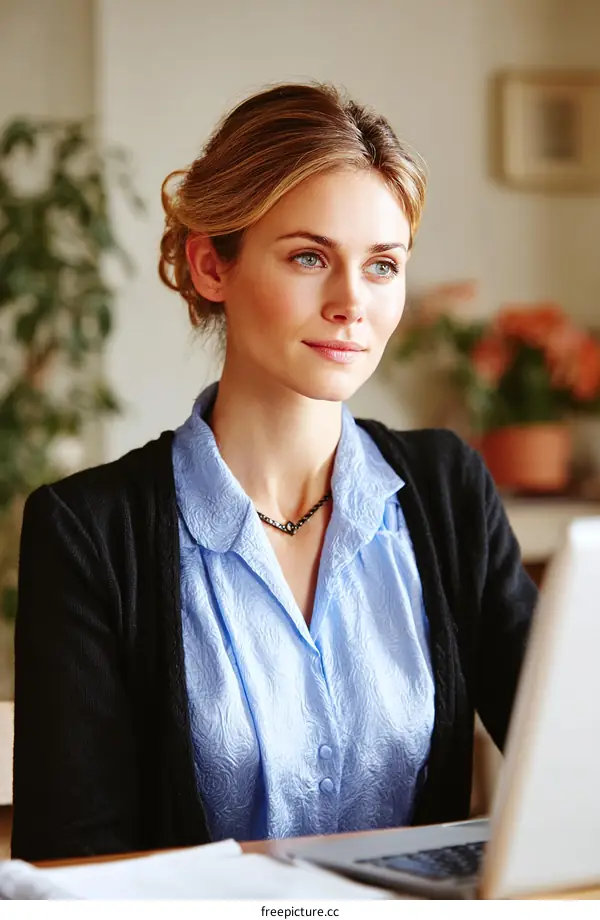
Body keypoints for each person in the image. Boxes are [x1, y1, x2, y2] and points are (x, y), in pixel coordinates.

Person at [11, 82, 537, 862]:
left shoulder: (449, 489)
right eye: (308, 257)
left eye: (383, 265)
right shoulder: (89, 532)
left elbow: (568, 758)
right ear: (210, 266)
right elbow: (75, 869)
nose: (351, 302)